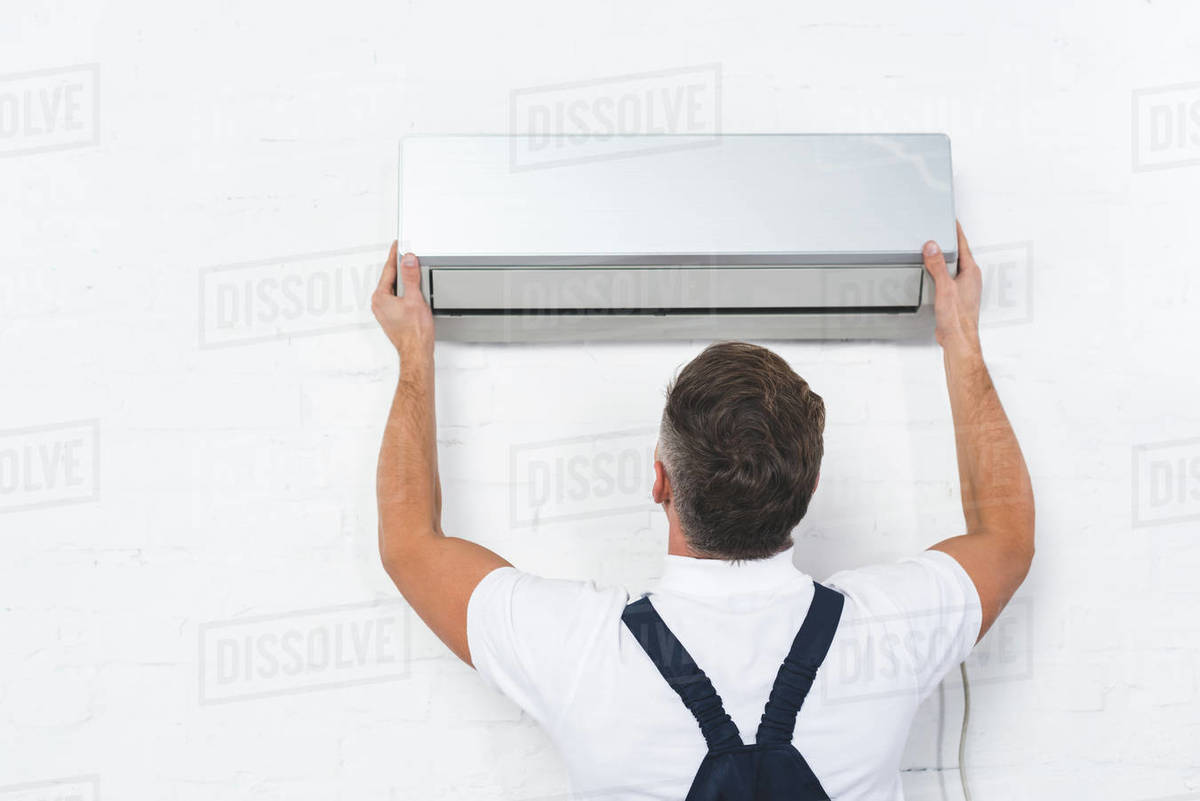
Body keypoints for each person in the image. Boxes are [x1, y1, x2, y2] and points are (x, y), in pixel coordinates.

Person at [370, 223, 1035, 800]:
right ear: (809, 486)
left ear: (660, 480)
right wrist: (959, 335)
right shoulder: (889, 632)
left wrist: (414, 353)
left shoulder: (581, 650)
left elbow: (410, 542)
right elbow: (1006, 536)